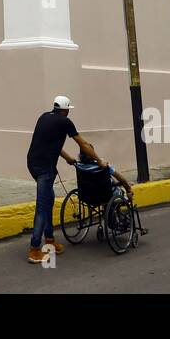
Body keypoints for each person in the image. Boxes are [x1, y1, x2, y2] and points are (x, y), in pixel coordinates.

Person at [25, 95, 125, 264]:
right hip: (45, 169)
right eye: (68, 111)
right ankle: (35, 250)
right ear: (65, 110)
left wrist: (67, 158)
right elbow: (83, 144)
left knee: (48, 201)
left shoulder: (44, 117)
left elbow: (50, 143)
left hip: (32, 164)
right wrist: (99, 160)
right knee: (42, 207)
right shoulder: (65, 122)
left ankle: (49, 240)